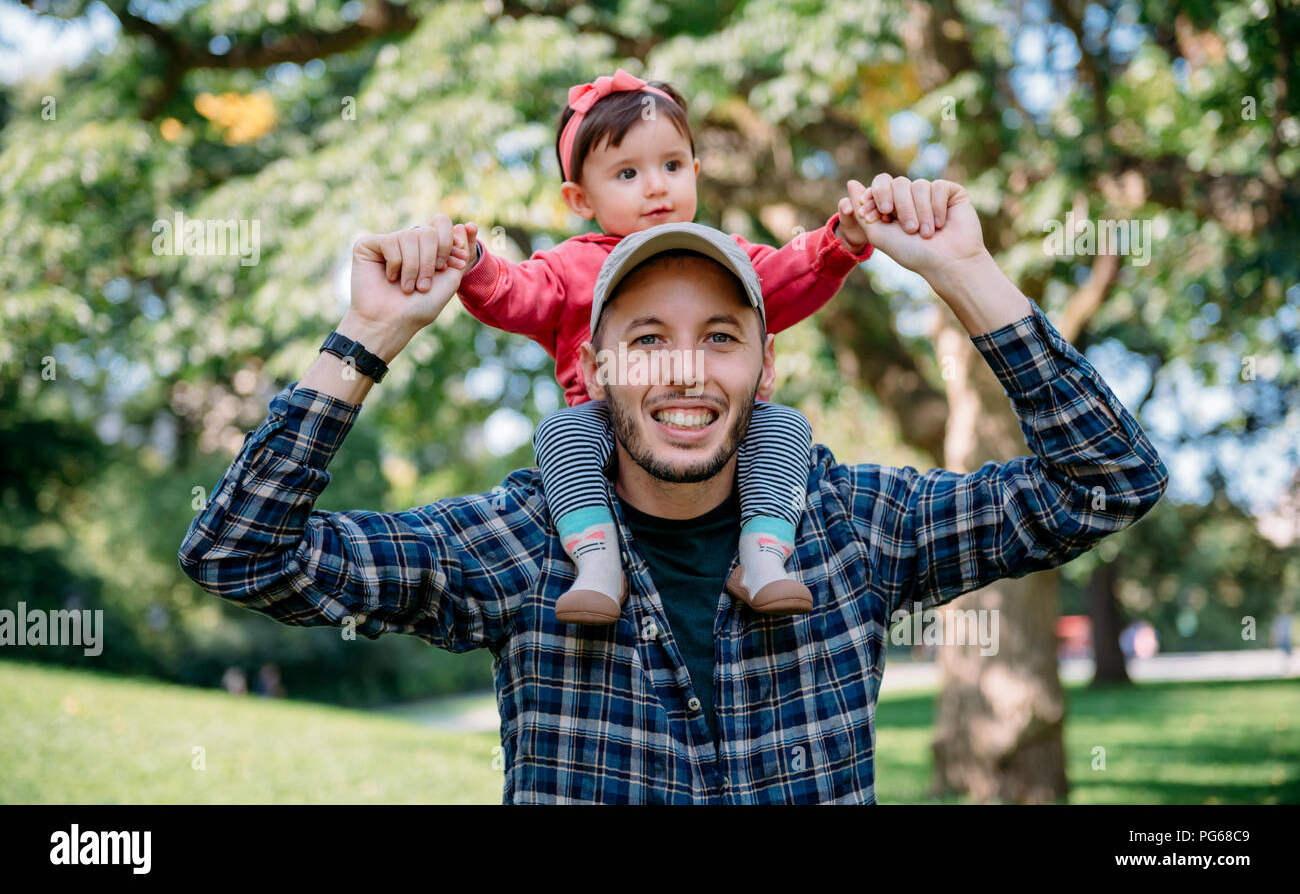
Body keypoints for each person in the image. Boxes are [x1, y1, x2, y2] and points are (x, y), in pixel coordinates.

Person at [178, 175, 1170, 803]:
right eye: (646, 340)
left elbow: (1106, 483)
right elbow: (239, 553)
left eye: (721, 339)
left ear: (763, 373)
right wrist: (369, 339)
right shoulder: (517, 544)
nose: (683, 372)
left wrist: (965, 276)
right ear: (595, 371)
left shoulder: (854, 526)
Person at [443, 69, 877, 624]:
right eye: (627, 172)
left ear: (695, 171)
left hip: (716, 433)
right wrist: (472, 265)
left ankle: (764, 556)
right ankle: (598, 562)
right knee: (561, 433)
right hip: (608, 425)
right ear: (579, 197)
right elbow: (514, 294)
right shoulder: (570, 267)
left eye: (672, 166)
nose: (656, 186)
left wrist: (839, 242)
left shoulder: (725, 256)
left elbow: (791, 272)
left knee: (784, 428)